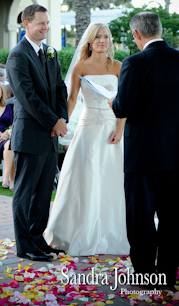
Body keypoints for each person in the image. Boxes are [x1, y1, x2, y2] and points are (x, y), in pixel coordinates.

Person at [44, 23, 130, 257]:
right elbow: (72, 99)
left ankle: (112, 231)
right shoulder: (80, 66)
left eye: (106, 37)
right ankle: (78, 231)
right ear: (89, 41)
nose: (102, 40)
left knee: (112, 180)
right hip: (88, 128)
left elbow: (124, 101)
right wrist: (61, 124)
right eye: (97, 37)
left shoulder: (118, 66)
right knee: (84, 178)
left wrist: (120, 129)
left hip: (112, 131)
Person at [109, 12, 179, 289]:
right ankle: (168, 272)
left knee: (141, 216)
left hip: (143, 154)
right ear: (160, 30)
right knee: (173, 216)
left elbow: (123, 106)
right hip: (175, 154)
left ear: (137, 35)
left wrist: (114, 100)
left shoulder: (133, 63)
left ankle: (146, 274)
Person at [6, 4, 68, 262]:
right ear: (26, 25)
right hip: (31, 135)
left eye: (47, 22)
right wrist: (53, 121)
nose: (46, 27)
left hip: (50, 136)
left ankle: (39, 241)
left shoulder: (50, 53)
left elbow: (59, 88)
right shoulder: (17, 56)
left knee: (44, 193)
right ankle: (25, 245)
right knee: (25, 193)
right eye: (41, 23)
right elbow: (27, 97)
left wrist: (61, 118)